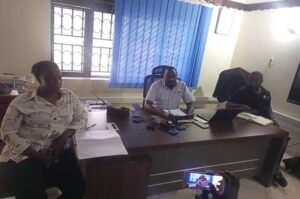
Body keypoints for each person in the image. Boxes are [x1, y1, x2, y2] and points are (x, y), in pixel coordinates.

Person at [0, 61, 87, 199]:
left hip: (59, 151)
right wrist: (36, 154)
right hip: (26, 154)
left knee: (78, 189)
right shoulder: (21, 102)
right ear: (38, 79)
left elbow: (81, 118)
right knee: (31, 195)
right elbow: (7, 132)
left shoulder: (69, 96)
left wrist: (63, 137)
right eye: (50, 78)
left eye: (59, 76)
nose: (57, 81)